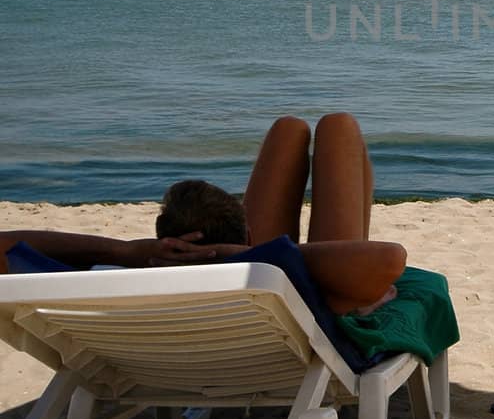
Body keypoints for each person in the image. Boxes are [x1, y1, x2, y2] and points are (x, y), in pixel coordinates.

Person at [0, 114, 406, 317]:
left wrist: (124, 251)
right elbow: (388, 259)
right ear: (249, 231)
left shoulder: (117, 280)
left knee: (289, 128)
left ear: (162, 238)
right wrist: (256, 255)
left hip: (169, 337)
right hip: (281, 312)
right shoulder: (296, 278)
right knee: (339, 126)